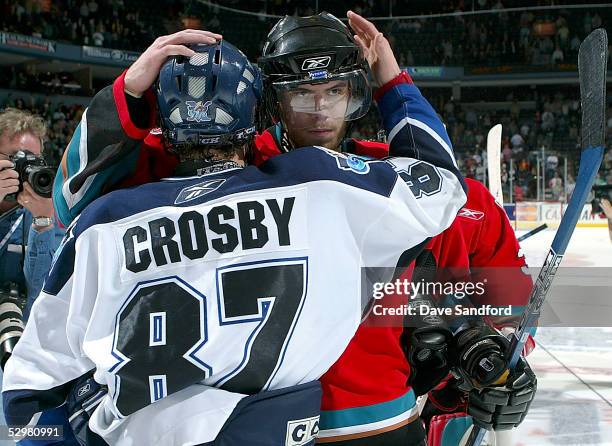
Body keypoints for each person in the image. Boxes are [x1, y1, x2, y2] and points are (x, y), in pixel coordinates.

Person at [51, 11, 537, 446]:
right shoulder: (220, 170)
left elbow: (498, 299)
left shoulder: (393, 183)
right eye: (302, 93)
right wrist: (132, 91)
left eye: (334, 91)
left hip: (378, 423)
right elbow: (74, 199)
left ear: (355, 93)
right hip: (243, 427)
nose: (320, 110)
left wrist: (487, 346)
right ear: (273, 99)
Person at [0, 108, 64, 316]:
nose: (26, 169)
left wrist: (43, 222)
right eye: (17, 158)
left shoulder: (50, 211)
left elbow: (40, 292)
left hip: (19, 333)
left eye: (34, 160)